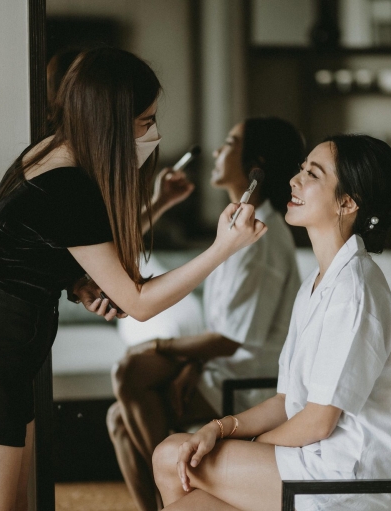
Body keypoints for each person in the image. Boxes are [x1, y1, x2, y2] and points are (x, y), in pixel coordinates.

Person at [0, 47, 266, 511]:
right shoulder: (68, 185)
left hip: (2, 349)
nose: (155, 134)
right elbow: (138, 302)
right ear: (110, 123)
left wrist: (76, 282)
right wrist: (222, 248)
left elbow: (42, 251)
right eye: (145, 122)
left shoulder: (56, 152)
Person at [152, 134, 391, 511]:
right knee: (174, 457)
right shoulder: (318, 280)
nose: (294, 180)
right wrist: (220, 427)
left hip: (347, 478)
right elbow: (286, 400)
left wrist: (250, 450)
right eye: (300, 169)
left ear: (347, 201)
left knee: (171, 458)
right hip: (313, 459)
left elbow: (318, 422)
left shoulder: (355, 291)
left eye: (312, 173)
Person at [107, 117, 305, 511]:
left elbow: (231, 339)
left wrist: (160, 345)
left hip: (248, 380)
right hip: (219, 368)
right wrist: (189, 366)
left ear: (256, 165)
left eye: (230, 142)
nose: (217, 151)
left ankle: (177, 493)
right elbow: (223, 329)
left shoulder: (260, 240)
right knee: (118, 418)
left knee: (132, 371)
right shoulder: (236, 225)